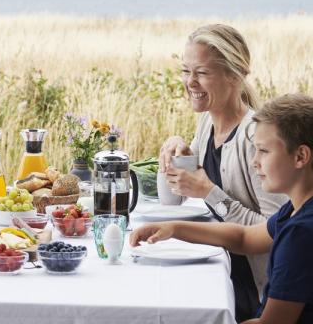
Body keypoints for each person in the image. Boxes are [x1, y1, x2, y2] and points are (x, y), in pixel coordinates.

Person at [132, 93, 313, 324]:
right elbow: (244, 237)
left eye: (264, 151)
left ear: (300, 156)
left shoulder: (301, 234)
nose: (254, 161)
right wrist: (173, 228)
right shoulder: (295, 210)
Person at [158, 24, 286, 321]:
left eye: (201, 73)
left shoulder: (256, 137)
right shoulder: (207, 124)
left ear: (235, 75)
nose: (190, 82)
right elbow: (186, 187)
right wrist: (177, 148)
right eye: (185, 71)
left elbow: (275, 231)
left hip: (253, 292)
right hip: (215, 270)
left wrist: (208, 192)